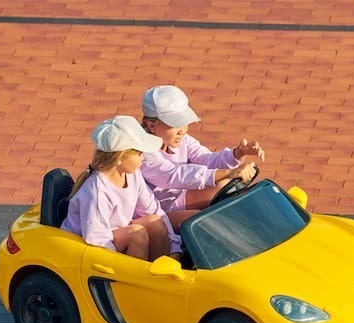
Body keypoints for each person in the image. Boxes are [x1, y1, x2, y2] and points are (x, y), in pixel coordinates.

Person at [140, 85, 265, 230]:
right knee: (200, 221)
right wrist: (227, 172)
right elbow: (173, 175)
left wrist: (237, 153)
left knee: (227, 188)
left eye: (184, 123)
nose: (183, 130)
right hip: (158, 210)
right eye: (175, 124)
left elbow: (206, 159)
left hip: (181, 197)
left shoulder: (181, 139)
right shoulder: (143, 150)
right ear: (151, 125)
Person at [61, 115, 181, 262]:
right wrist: (121, 265)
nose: (143, 158)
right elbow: (97, 240)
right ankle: (137, 280)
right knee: (137, 234)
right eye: (138, 153)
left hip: (112, 235)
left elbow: (153, 210)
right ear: (119, 158)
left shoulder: (133, 175)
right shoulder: (96, 191)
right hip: (89, 246)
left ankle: (165, 270)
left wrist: (175, 248)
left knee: (155, 221)